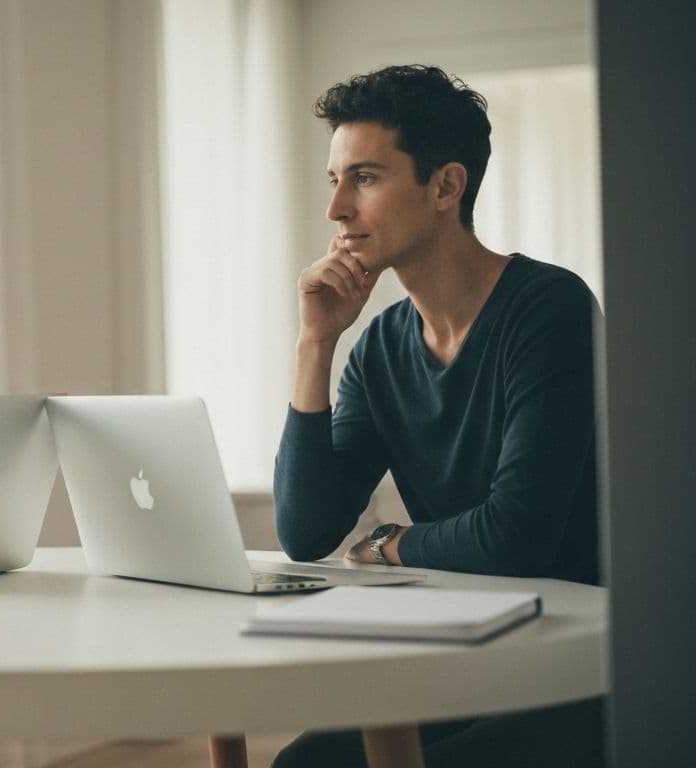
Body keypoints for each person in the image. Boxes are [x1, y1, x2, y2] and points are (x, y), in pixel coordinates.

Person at [271, 65, 604, 767]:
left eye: (364, 178)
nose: (336, 210)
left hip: (579, 661)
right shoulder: (381, 347)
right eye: (333, 180)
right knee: (301, 765)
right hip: (468, 649)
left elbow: (516, 537)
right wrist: (315, 343)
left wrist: (389, 542)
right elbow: (307, 533)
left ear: (446, 186)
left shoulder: (550, 308)